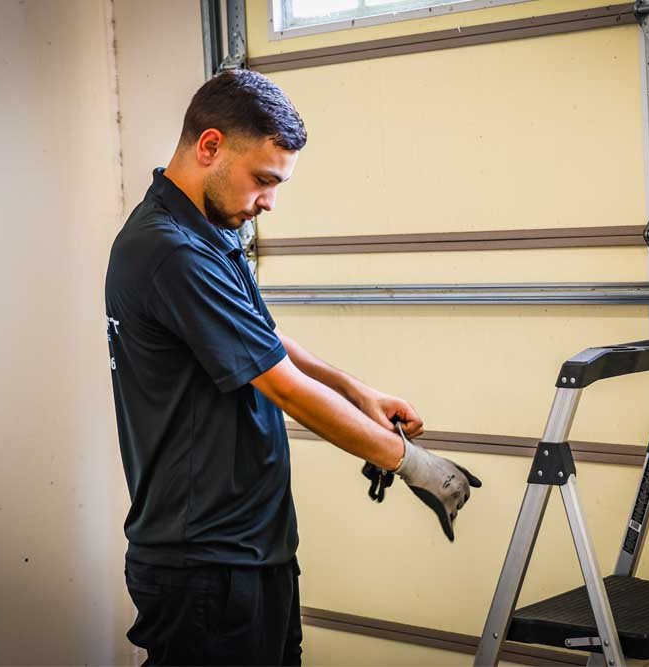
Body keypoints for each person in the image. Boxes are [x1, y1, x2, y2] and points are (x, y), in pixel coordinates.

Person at [104, 68, 481, 666]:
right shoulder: (169, 249)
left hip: (253, 547)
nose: (268, 202)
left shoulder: (208, 230)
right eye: (263, 180)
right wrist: (416, 465)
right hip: (205, 561)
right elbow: (284, 387)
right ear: (210, 146)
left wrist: (357, 391)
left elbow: (263, 336)